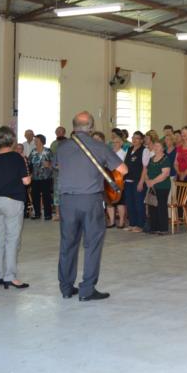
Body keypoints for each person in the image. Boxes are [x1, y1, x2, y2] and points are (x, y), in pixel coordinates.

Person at [56, 111, 127, 301]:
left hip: (67, 201)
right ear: (91, 127)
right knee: (92, 244)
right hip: (90, 200)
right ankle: (87, 289)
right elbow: (123, 169)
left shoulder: (62, 147)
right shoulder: (99, 146)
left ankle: (66, 288)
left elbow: (58, 167)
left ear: (73, 127)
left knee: (67, 244)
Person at [0, 126, 31, 289]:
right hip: (13, 201)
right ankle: (10, 276)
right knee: (12, 239)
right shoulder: (17, 157)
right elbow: (26, 181)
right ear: (11, 141)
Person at [144, 139, 173, 235]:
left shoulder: (165, 159)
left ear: (163, 148)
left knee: (161, 206)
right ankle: (154, 227)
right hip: (152, 186)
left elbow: (165, 174)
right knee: (152, 206)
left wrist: (153, 181)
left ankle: (163, 228)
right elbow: (146, 172)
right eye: (155, 146)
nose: (155, 148)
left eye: (158, 146)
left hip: (162, 186)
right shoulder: (151, 158)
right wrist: (147, 180)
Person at [123, 131, 147, 233]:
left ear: (141, 140)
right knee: (130, 203)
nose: (134, 140)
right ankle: (132, 224)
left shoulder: (144, 150)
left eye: (137, 138)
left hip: (138, 180)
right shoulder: (129, 149)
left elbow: (145, 167)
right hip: (128, 180)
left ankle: (140, 225)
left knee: (139, 203)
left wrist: (141, 181)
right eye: (133, 137)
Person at [28, 134, 53, 220]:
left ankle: (48, 214)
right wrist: (29, 174)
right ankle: (37, 213)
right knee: (35, 196)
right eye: (35, 140)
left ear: (41, 141)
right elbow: (29, 163)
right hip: (35, 178)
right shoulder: (33, 151)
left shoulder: (48, 151)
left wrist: (49, 164)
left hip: (46, 177)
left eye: (36, 140)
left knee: (46, 196)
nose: (35, 141)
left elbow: (54, 164)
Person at [106, 134, 128, 229]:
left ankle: (121, 221)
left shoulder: (124, 154)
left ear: (121, 143)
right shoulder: (109, 153)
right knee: (109, 201)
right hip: (109, 179)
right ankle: (111, 221)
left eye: (117, 142)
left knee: (120, 201)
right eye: (113, 143)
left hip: (119, 179)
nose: (114, 144)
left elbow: (124, 168)